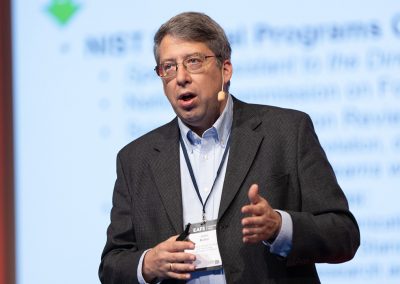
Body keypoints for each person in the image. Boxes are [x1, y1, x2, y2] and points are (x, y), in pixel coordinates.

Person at [99, 12, 360, 284]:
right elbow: (111, 265)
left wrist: (279, 227)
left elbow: (344, 235)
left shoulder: (287, 131)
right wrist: (148, 264)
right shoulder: (136, 159)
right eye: (169, 67)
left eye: (193, 61)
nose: (181, 77)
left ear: (225, 70)